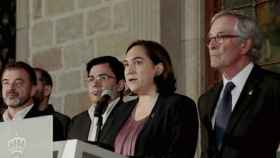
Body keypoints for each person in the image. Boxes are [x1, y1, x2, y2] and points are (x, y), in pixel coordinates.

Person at [198, 10, 280, 158]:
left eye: (220, 37)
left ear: (245, 45)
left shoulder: (273, 88)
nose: (211, 45)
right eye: (210, 39)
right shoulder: (206, 100)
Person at [99, 40, 198, 158]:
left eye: (138, 62)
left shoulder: (179, 106)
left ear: (158, 69)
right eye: (126, 64)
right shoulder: (120, 111)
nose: (129, 71)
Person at [0, 61, 65, 141]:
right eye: (6, 83)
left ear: (33, 90)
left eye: (18, 83)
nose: (10, 88)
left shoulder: (48, 124)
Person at [68, 56, 126, 143]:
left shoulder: (130, 114)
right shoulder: (76, 122)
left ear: (120, 85)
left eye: (103, 78)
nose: (95, 84)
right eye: (91, 79)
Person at [33, 67, 71, 140]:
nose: (29, 87)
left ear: (47, 90)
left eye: (34, 83)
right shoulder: (20, 119)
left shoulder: (63, 122)